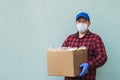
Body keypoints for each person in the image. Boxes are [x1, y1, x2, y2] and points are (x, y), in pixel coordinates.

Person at [62, 12, 107, 80]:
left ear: (89, 23)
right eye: (79, 21)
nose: (81, 23)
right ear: (76, 23)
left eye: (84, 21)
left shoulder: (95, 38)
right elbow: (62, 54)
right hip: (70, 78)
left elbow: (103, 57)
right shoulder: (70, 38)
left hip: (87, 77)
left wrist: (89, 64)